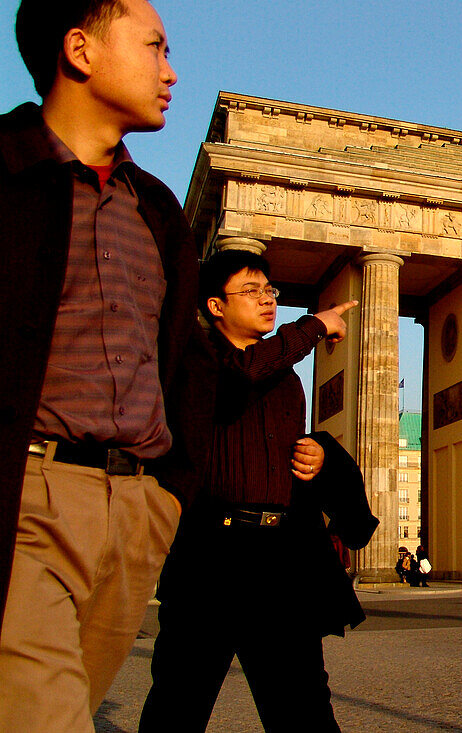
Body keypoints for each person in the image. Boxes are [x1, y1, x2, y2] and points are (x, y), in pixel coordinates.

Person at [0, 3, 213, 729]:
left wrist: (169, 494)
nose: (171, 69)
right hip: (29, 496)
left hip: (134, 512)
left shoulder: (156, 210)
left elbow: (181, 363)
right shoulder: (4, 173)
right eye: (155, 46)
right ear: (80, 50)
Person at [139, 250, 371, 732]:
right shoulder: (194, 360)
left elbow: (279, 430)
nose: (268, 300)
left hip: (281, 561)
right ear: (215, 306)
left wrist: (321, 458)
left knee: (304, 706)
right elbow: (241, 375)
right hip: (212, 558)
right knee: (179, 703)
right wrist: (312, 325)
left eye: (271, 291)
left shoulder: (285, 377)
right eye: (252, 291)